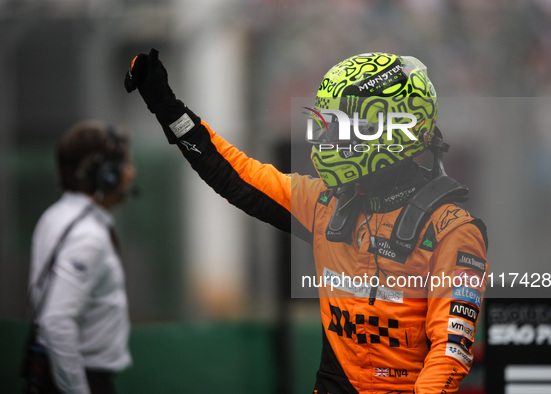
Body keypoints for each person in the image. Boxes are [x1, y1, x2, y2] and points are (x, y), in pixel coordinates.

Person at [125, 49, 488, 393]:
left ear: (393, 129)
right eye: (330, 125)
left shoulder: (453, 229)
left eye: (347, 127)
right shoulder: (323, 203)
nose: (332, 139)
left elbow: (450, 351)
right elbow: (234, 175)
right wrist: (165, 105)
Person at [25, 121, 136, 394]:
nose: (131, 173)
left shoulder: (56, 216)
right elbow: (57, 321)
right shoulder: (87, 237)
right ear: (106, 175)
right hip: (81, 378)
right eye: (124, 165)